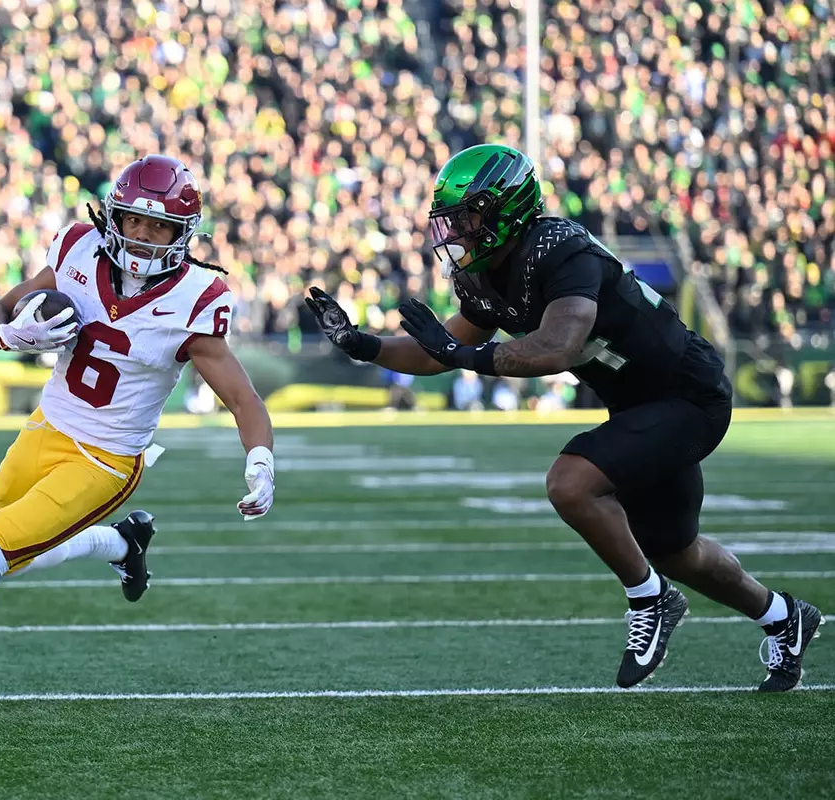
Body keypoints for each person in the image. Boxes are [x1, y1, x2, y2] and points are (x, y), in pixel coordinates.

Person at [306, 144, 823, 693]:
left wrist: (463, 356)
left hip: (687, 394)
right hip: (637, 405)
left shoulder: (560, 249)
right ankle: (783, 618)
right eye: (450, 218)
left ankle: (650, 599)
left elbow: (555, 348)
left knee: (571, 482)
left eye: (467, 215)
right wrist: (362, 345)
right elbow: (440, 351)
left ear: (505, 209)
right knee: (677, 550)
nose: (455, 229)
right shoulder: (483, 276)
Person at [0, 155, 277, 717]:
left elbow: (241, 398)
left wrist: (260, 461)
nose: (142, 235)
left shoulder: (196, 298)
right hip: (45, 428)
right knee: (17, 557)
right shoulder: (78, 249)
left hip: (106, 461)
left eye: (158, 225)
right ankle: (122, 544)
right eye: (133, 220)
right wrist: (11, 335)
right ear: (113, 215)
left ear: (182, 235)